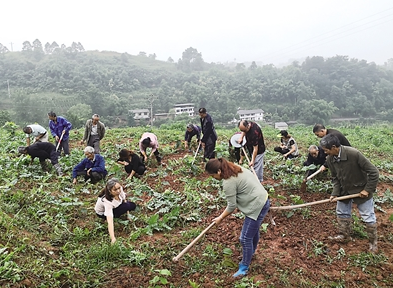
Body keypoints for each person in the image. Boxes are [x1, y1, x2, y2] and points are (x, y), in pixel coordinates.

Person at [205, 158, 270, 277]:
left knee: (245, 238)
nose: (212, 178)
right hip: (262, 199)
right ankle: (250, 253)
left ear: (219, 171)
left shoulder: (228, 181)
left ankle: (244, 268)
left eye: (212, 175)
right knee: (252, 232)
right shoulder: (234, 168)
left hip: (256, 206)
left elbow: (232, 206)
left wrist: (220, 218)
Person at [320, 134, 379, 252]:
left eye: (326, 150)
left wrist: (367, 190)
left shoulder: (354, 154)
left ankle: (373, 243)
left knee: (368, 216)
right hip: (344, 190)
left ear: (334, 147)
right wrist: (335, 193)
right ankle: (344, 235)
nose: (325, 153)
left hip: (360, 189)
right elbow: (335, 178)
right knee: (341, 212)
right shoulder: (330, 159)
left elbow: (374, 172)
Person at [94, 178, 137, 243]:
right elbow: (110, 221)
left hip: (115, 205)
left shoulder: (119, 189)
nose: (118, 191)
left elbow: (124, 200)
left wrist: (128, 215)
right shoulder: (107, 201)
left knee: (132, 205)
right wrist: (113, 238)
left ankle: (119, 211)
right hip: (102, 213)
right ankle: (106, 218)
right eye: (115, 190)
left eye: (119, 188)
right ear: (109, 191)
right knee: (126, 206)